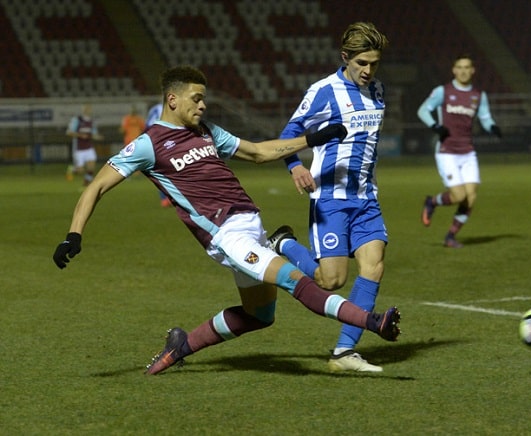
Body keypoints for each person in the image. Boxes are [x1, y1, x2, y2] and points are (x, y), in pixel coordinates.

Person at [52, 65, 400, 376]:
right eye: (196, 98)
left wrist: (311, 140)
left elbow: (258, 152)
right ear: (172, 100)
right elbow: (96, 186)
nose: (203, 105)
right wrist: (74, 234)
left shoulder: (206, 131)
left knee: (260, 315)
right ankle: (371, 321)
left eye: (204, 99)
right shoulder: (149, 145)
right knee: (295, 281)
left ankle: (181, 346)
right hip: (227, 237)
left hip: (252, 225)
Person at [268, 22, 390, 373]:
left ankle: (343, 352)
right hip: (331, 199)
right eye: (362, 63)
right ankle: (284, 244)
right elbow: (289, 133)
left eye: (374, 63)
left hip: (366, 198)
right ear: (345, 58)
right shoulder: (324, 91)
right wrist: (294, 166)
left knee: (374, 267)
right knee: (331, 280)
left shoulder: (379, 90)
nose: (368, 71)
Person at [417, 54, 502, 248]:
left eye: (467, 67)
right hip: (447, 151)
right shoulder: (443, 91)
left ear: (472, 71)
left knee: (470, 197)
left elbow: (485, 118)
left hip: (468, 152)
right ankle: (432, 201)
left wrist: (493, 127)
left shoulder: (479, 95)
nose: (463, 71)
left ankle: (450, 236)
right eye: (459, 67)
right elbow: (422, 110)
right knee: (458, 196)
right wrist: (435, 126)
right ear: (454, 70)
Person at [65, 104, 104, 186]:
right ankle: (72, 169)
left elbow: (93, 134)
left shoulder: (91, 122)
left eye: (89, 108)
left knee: (91, 167)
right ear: (82, 110)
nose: (87, 110)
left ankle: (86, 183)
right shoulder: (77, 120)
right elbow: (69, 132)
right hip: (79, 148)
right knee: (80, 171)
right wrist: (80, 135)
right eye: (85, 108)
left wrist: (98, 137)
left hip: (89, 147)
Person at [145, 101, 171, 207]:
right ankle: (167, 198)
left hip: (153, 139)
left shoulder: (154, 109)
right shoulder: (169, 108)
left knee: (163, 170)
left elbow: (147, 125)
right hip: (164, 139)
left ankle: (165, 199)